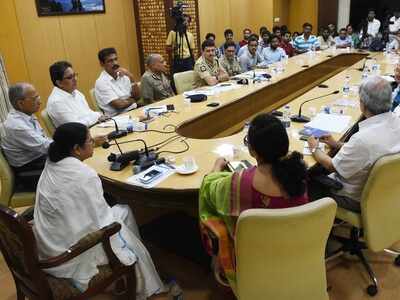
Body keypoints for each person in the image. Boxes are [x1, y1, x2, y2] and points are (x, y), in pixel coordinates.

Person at [33, 122, 166, 299]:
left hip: (51, 242)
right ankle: (144, 286)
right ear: (76, 149)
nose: (93, 143)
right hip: (70, 255)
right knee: (121, 220)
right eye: (89, 141)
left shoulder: (52, 163)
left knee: (122, 213)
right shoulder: (83, 174)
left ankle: (132, 274)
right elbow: (103, 222)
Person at [199, 113, 308, 290]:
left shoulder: (238, 182)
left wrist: (217, 167)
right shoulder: (298, 174)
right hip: (295, 249)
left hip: (254, 259)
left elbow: (208, 188)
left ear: (252, 151)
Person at [308, 76, 400, 213]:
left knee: (307, 177)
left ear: (362, 104)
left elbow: (332, 166)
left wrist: (314, 147)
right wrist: (337, 144)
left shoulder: (362, 139)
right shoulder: (396, 122)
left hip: (354, 198)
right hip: (387, 192)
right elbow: (369, 152)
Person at [1, 83, 52, 190]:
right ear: (20, 103)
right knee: (71, 171)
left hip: (38, 162)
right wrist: (73, 144)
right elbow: (45, 146)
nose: (40, 101)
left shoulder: (27, 115)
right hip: (29, 173)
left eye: (38, 96)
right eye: (35, 98)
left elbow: (44, 140)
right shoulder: (16, 126)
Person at [47, 61, 108, 128]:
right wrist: (96, 117)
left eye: (74, 75)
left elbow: (89, 113)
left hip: (91, 128)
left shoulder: (76, 92)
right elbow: (76, 126)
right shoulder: (56, 102)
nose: (75, 79)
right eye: (70, 77)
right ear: (59, 83)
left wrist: (99, 115)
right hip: (78, 136)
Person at [94, 48, 141, 117]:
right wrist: (133, 100)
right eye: (110, 61)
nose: (115, 63)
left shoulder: (124, 75)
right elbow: (119, 105)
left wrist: (131, 77)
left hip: (134, 110)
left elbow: (138, 96)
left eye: (116, 59)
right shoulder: (101, 82)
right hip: (119, 117)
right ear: (102, 64)